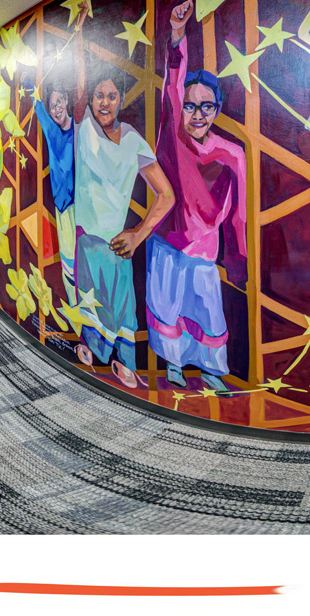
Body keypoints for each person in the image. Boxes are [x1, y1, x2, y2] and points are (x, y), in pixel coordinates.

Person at [147, 0, 248, 394]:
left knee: (206, 310)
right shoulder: (173, 137)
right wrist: (177, 35)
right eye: (190, 106)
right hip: (167, 243)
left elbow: (238, 213)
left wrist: (237, 258)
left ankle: (211, 371)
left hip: (205, 251)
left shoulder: (231, 153)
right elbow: (172, 85)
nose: (198, 114)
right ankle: (173, 365)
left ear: (217, 109)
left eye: (206, 106)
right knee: (167, 306)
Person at [71, 68, 175, 389]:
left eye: (112, 96)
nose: (104, 103)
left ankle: (125, 362)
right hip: (87, 241)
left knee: (124, 307)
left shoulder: (133, 139)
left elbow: (167, 195)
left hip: (119, 244)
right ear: (89, 99)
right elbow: (79, 79)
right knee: (92, 302)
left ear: (122, 100)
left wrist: (138, 235)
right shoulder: (83, 126)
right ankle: (92, 348)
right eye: (99, 96)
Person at [25, 77, 78, 298]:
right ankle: (76, 307)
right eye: (52, 106)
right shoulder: (52, 132)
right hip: (63, 208)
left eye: (59, 102)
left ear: (66, 100)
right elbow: (38, 108)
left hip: (82, 206)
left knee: (83, 261)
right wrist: (28, 80)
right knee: (68, 262)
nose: (56, 109)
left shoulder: (80, 128)